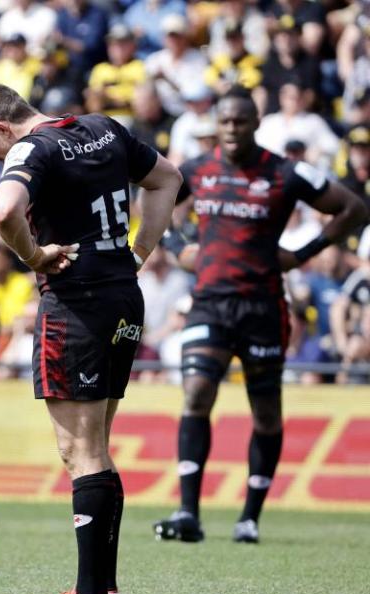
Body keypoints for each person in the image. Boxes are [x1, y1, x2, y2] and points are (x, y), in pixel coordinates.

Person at [0, 83, 181, 594]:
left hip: (76, 305)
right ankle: (103, 592)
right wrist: (140, 250)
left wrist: (33, 255)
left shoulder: (32, 148)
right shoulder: (103, 127)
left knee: (79, 451)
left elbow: (6, 207)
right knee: (96, 448)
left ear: (1, 129)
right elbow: (168, 178)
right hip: (124, 298)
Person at [154, 88, 368, 545]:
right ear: (218, 124)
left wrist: (303, 253)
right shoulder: (197, 170)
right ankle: (188, 511)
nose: (232, 129)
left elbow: (353, 207)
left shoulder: (285, 172)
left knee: (266, 412)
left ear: (256, 123)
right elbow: (153, 196)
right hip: (210, 301)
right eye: (226, 121)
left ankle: (250, 517)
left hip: (263, 307)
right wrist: (175, 246)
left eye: (241, 121)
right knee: (195, 393)